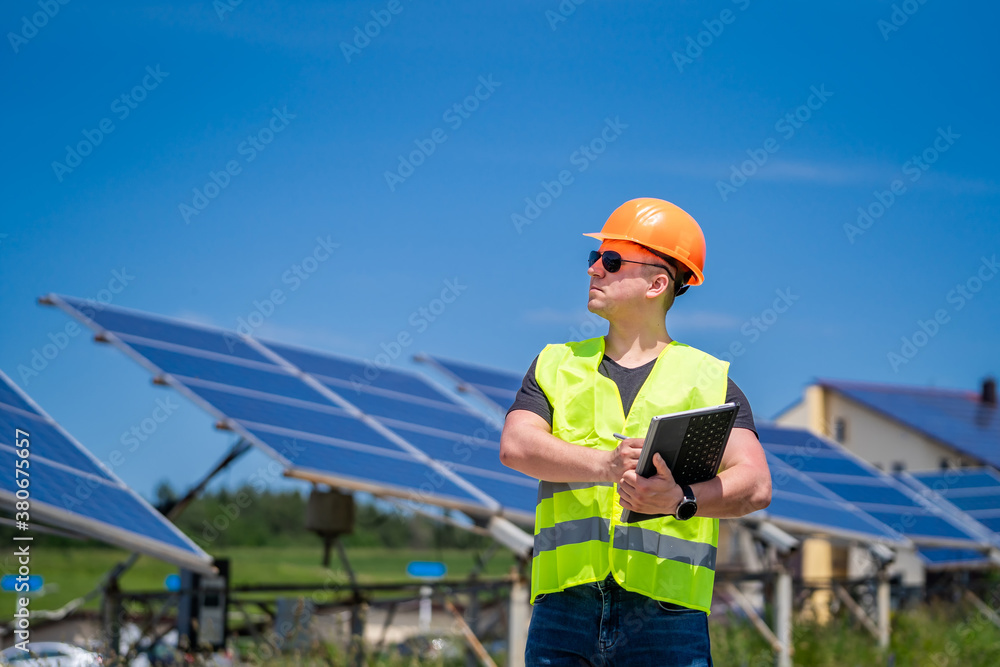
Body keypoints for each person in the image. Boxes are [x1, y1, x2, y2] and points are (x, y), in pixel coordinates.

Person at [499, 198, 772, 666]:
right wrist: (604, 465)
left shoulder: (708, 379)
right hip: (564, 606)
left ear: (658, 283)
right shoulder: (555, 363)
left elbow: (755, 483)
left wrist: (679, 500)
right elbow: (516, 445)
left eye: (610, 260)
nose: (593, 271)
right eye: (594, 259)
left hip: (667, 614)